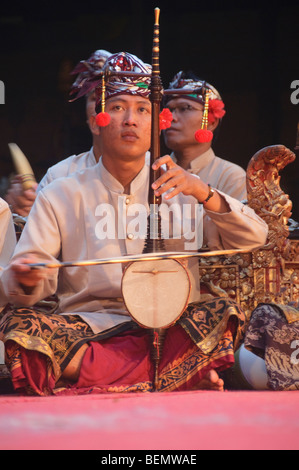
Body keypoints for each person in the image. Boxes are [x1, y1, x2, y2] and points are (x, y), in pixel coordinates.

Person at [0, 52, 268, 396]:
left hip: (169, 326)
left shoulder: (184, 186)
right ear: (98, 118)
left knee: (219, 313)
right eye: (117, 107)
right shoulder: (61, 192)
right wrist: (24, 275)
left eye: (142, 110)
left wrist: (204, 192)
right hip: (86, 328)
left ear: (158, 121)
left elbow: (258, 237)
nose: (130, 120)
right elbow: (30, 286)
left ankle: (113, 376)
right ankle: (176, 375)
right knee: (20, 327)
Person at [4, 49, 112, 215]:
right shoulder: (59, 176)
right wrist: (16, 212)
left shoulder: (160, 175)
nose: (102, 108)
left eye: (116, 102)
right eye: (95, 98)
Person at [163, 71, 247, 201]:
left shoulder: (231, 177)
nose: (171, 117)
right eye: (169, 110)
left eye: (185, 108)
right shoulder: (153, 171)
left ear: (211, 122)